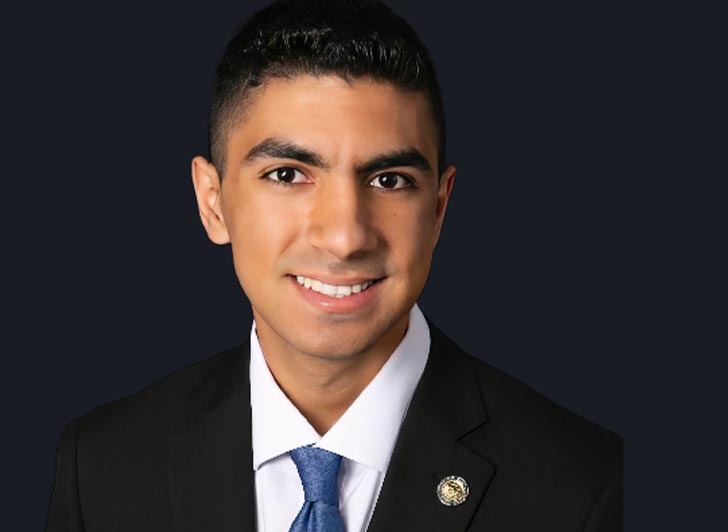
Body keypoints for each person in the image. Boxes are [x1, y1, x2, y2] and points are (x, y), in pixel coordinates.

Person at [46, 1, 622, 531]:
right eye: (288, 174)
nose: (345, 237)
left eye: (390, 180)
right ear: (212, 201)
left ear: (440, 208)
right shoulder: (101, 465)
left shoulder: (588, 486)